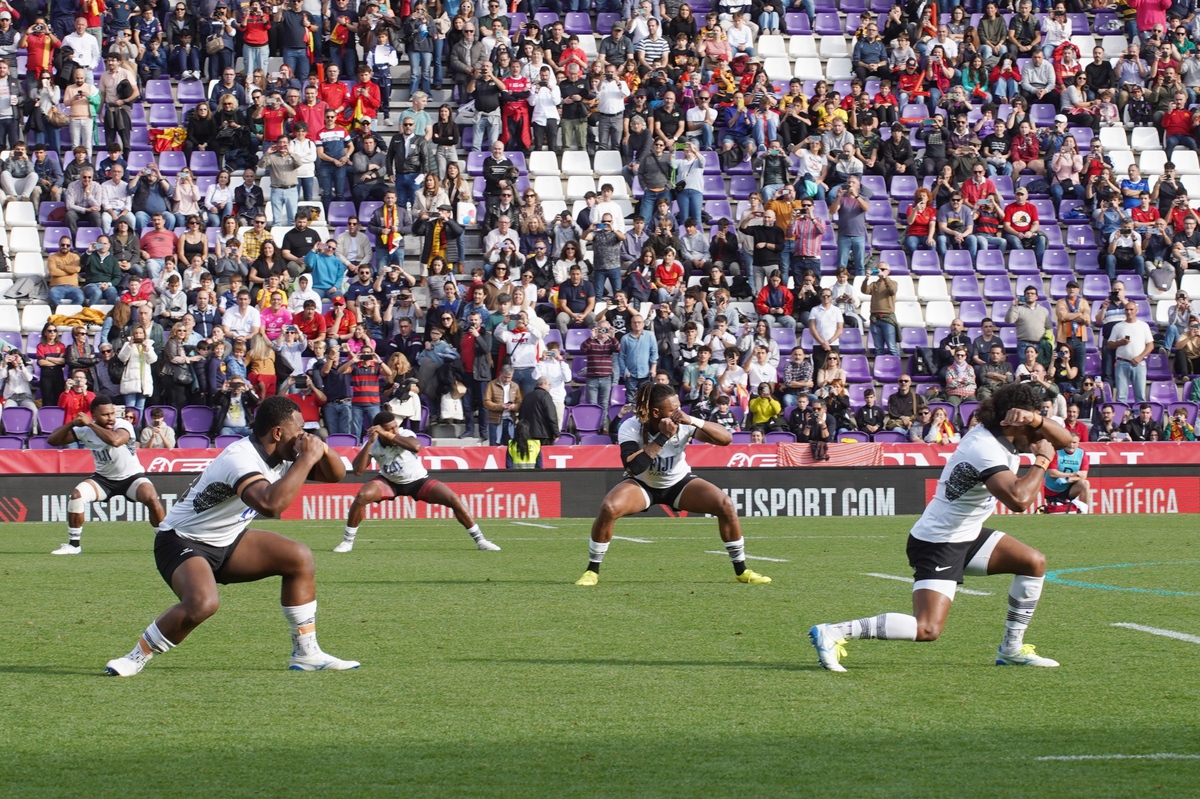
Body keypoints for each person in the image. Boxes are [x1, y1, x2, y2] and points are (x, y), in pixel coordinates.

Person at [810, 382, 1071, 673]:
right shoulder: (984, 448)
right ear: (1009, 422)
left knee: (1033, 562)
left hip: (967, 535)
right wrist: (1043, 460)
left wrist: (1035, 420)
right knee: (927, 629)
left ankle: (1011, 649)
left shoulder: (1003, 435)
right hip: (939, 543)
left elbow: (1066, 441)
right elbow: (1020, 501)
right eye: (1032, 425)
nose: (1038, 434)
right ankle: (833, 632)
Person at [103, 396, 357, 677]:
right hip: (182, 541)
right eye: (298, 432)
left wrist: (320, 448)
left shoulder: (282, 454)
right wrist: (308, 457)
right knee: (203, 604)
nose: (302, 438)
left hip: (228, 540)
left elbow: (336, 474)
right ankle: (135, 656)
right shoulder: (241, 458)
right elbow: (271, 505)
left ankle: (306, 653)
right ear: (277, 433)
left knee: (299, 557)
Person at [575, 382, 771, 587]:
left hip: (678, 482)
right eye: (674, 409)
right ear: (656, 412)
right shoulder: (631, 426)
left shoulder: (684, 422)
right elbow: (634, 467)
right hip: (643, 484)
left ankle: (741, 570)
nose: (679, 412)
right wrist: (662, 437)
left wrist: (693, 420)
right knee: (609, 507)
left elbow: (726, 439)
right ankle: (592, 570)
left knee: (725, 504)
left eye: (679, 407)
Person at [334, 411, 499, 554]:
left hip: (418, 481)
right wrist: (370, 443)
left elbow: (416, 446)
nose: (394, 430)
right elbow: (358, 470)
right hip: (389, 482)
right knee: (362, 496)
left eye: (395, 426)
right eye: (389, 428)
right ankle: (347, 542)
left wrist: (389, 434)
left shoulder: (405, 434)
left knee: (453, 499)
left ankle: (481, 541)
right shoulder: (373, 443)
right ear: (379, 429)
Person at [44, 395, 166, 556]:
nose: (111, 418)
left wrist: (90, 425)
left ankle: (166, 542)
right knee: (77, 495)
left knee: (150, 496)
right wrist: (73, 423)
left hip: (131, 477)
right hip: (104, 479)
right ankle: (74, 545)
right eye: (105, 415)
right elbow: (53, 440)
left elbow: (115, 441)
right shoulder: (86, 429)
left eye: (112, 413)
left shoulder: (123, 425)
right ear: (93, 415)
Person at [1107, 301, 1155, 403]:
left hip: (1139, 363)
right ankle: (1121, 418)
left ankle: (1140, 418)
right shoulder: (1118, 326)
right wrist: (1120, 342)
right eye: (1127, 309)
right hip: (1122, 362)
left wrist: (1140, 357)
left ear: (1136, 311)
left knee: (1140, 396)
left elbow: (1150, 345)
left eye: (1131, 309)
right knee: (1121, 396)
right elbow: (1109, 344)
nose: (1129, 312)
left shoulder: (1143, 326)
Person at [1044, 434, 1091, 513]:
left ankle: (1084, 512)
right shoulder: (1056, 452)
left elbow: (1083, 476)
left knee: (1085, 483)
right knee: (1054, 512)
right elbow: (1052, 473)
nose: (1071, 445)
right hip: (1053, 490)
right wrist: (1072, 475)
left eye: (1074, 442)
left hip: (1068, 489)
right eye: (1069, 442)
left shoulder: (1081, 454)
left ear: (1078, 443)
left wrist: (1067, 480)